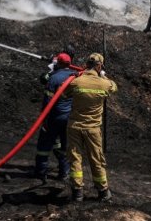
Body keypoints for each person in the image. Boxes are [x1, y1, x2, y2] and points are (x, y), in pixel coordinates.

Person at [64, 53, 117, 202]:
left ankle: (77, 193)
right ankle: (103, 192)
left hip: (74, 126)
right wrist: (103, 76)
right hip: (93, 129)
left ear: (87, 64)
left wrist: (77, 77)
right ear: (99, 66)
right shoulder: (104, 84)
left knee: (75, 158)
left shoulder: (76, 82)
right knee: (96, 159)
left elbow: (63, 95)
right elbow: (114, 87)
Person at [33, 52, 77, 182]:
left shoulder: (54, 78)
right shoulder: (74, 76)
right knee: (63, 146)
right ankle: (64, 173)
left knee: (43, 146)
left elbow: (48, 100)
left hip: (53, 117)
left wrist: (44, 118)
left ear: (58, 63)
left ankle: (41, 173)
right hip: (68, 118)